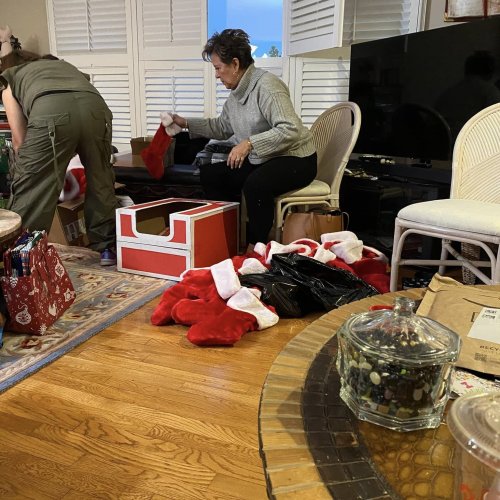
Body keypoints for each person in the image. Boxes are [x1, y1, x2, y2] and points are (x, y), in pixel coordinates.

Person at [169, 29, 317, 247]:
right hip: (265, 157)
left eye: (218, 68)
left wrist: (249, 143)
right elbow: (222, 127)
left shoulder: (267, 87)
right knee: (212, 175)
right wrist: (185, 122)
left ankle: (255, 249)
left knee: (256, 185)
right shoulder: (237, 93)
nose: (217, 75)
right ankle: (226, 241)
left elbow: (291, 129)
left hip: (296, 159)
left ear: (235, 64)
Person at [0, 38, 117, 265]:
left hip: (51, 110)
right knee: (101, 178)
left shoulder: (9, 77)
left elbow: (19, 140)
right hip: (96, 109)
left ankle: (18, 260)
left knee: (31, 186)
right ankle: (106, 249)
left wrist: (34, 167)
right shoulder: (62, 66)